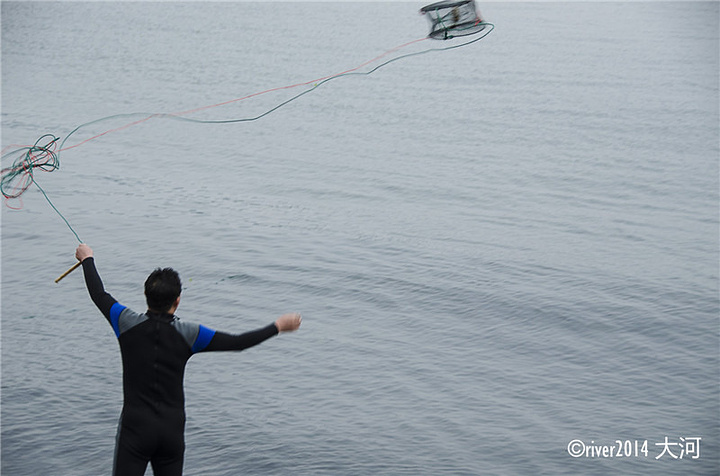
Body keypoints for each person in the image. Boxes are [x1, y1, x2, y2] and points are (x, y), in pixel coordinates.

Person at [74, 243, 301, 476]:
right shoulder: (191, 334)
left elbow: (98, 294)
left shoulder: (124, 322)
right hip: (171, 432)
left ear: (145, 296)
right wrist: (278, 326)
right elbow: (238, 342)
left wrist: (87, 259)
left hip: (135, 430)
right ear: (178, 300)